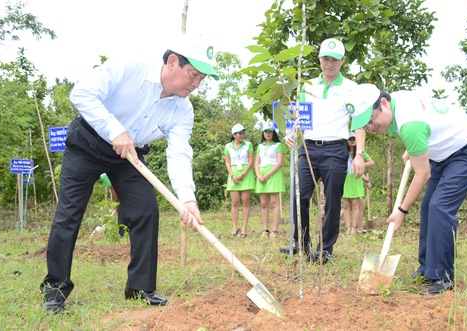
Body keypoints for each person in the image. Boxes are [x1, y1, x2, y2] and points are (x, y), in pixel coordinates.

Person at [39, 36, 219, 314]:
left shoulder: (183, 109)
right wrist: (115, 130)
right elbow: (81, 93)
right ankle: (55, 288)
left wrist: (188, 199)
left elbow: (179, 153)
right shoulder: (131, 67)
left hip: (129, 157)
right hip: (87, 143)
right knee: (69, 213)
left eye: (202, 79)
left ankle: (140, 287)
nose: (196, 84)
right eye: (193, 75)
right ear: (172, 62)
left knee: (146, 210)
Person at [348, 83, 467, 295]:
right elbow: (428, 121)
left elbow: (423, 174)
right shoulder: (396, 104)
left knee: (440, 207)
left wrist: (401, 211)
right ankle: (428, 269)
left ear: (384, 103)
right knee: (427, 206)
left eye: (371, 120)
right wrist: (413, 147)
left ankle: (443, 277)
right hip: (443, 152)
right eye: (365, 124)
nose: (371, 127)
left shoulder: (410, 125)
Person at [279, 37, 366, 264]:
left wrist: (359, 154)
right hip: (308, 147)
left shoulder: (351, 88)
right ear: (319, 60)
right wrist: (290, 133)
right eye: (326, 58)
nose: (329, 64)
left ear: (343, 61)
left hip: (336, 150)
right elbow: (299, 115)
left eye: (335, 59)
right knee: (300, 196)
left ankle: (325, 249)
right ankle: (301, 243)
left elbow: (358, 123)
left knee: (333, 200)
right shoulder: (307, 85)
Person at [254, 122, 285, 238]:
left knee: (274, 202)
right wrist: (258, 174)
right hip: (261, 173)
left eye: (269, 131)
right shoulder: (260, 146)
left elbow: (280, 162)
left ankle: (275, 230)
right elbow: (257, 162)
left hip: (273, 173)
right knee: (263, 203)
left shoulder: (278, 145)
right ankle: (265, 229)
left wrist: (268, 174)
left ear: (273, 133)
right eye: (265, 131)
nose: (267, 134)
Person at [224, 123, 256, 237]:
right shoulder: (228, 146)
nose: (242, 135)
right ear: (234, 135)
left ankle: (244, 228)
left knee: (246, 201)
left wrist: (244, 173)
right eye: (240, 133)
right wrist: (232, 176)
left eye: (243, 133)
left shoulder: (248, 145)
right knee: (235, 202)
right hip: (233, 173)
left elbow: (251, 160)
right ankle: (234, 227)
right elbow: (227, 162)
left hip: (245, 173)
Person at [341, 132, 374, 235]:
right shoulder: (342, 151)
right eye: (350, 139)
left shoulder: (360, 153)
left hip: (356, 178)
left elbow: (371, 162)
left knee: (356, 204)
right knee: (346, 204)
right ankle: (348, 227)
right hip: (345, 178)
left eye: (354, 139)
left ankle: (355, 228)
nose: (352, 141)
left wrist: (359, 164)